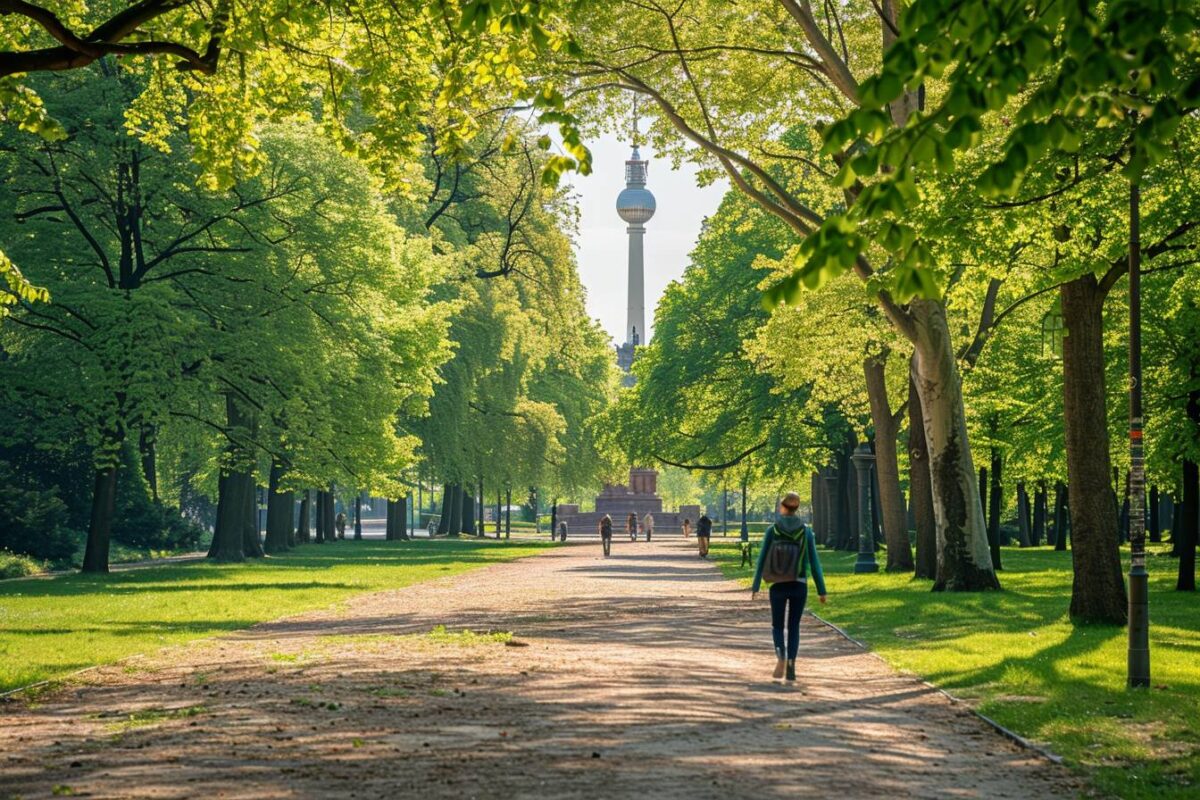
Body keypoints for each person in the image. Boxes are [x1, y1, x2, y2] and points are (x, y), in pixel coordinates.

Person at [750, 492, 827, 682]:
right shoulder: (806, 531)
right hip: (799, 584)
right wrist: (821, 590)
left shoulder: (772, 530)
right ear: (797, 508)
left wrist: (756, 585)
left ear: (783, 507)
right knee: (794, 626)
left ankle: (781, 656)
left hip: (777, 584)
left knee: (777, 626)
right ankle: (792, 662)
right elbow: (814, 561)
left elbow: (761, 560)